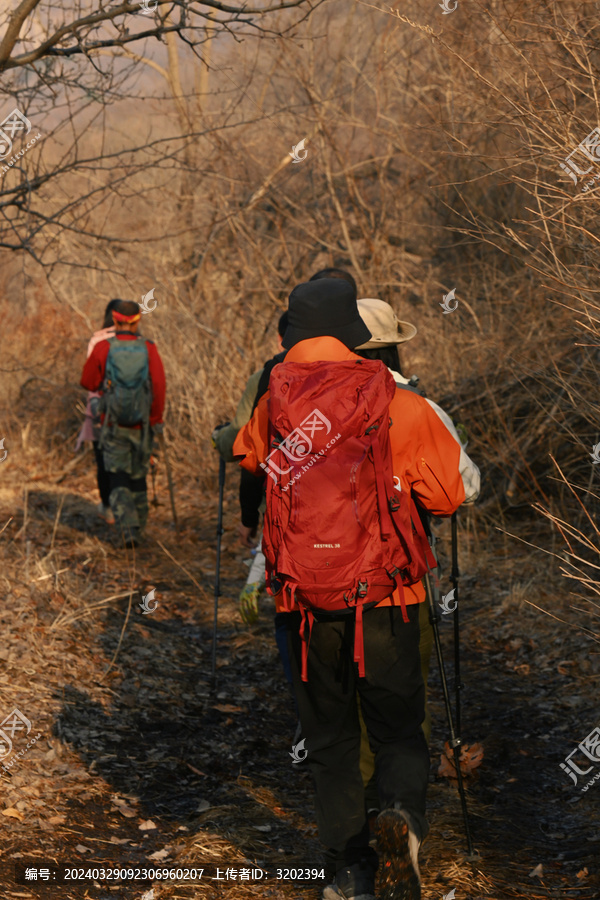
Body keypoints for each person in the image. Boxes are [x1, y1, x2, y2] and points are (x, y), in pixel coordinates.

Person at [233, 280, 480, 900]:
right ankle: (401, 822)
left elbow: (250, 463)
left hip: (305, 605)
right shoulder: (402, 404)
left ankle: (347, 869)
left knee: (331, 739)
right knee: (397, 730)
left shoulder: (274, 403)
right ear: (354, 332)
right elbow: (449, 496)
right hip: (389, 597)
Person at [80, 299, 166, 546]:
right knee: (138, 474)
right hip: (142, 425)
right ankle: (138, 526)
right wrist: (155, 419)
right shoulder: (149, 348)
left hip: (113, 424)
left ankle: (127, 530)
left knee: (117, 475)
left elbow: (87, 381)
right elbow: (159, 387)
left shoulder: (104, 348)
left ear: (115, 320)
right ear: (138, 321)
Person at [75, 299, 120, 524]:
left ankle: (107, 505)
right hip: (131, 412)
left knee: (102, 458)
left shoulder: (98, 340)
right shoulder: (141, 342)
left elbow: (89, 380)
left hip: (100, 409)